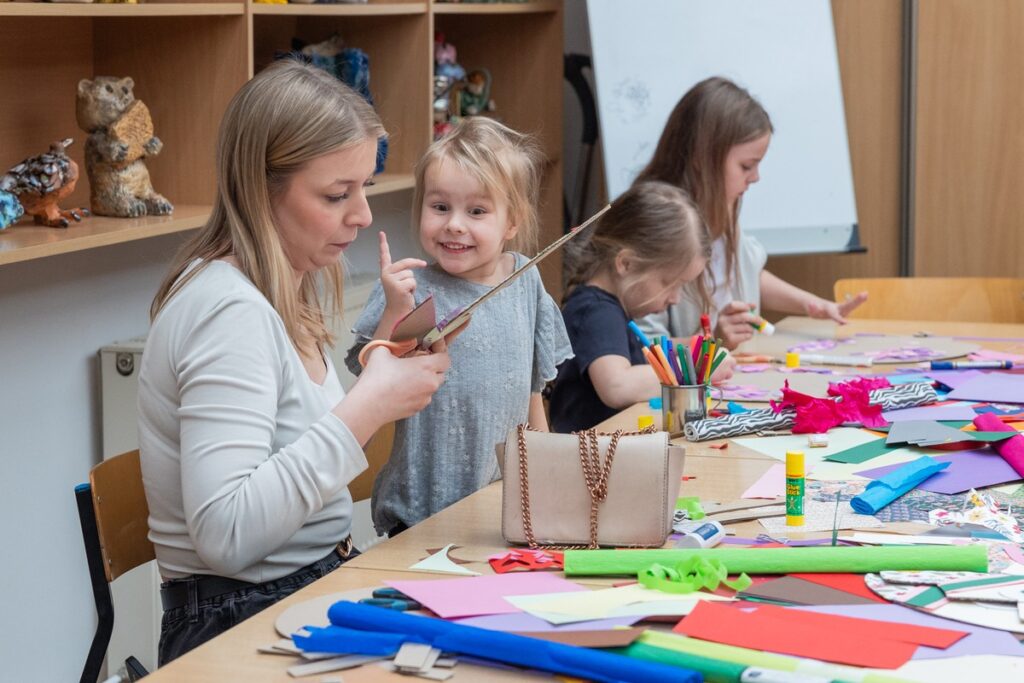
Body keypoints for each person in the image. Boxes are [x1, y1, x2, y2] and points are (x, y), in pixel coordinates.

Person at [138, 59, 450, 665]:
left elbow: (295, 464)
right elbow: (227, 535)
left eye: (364, 187)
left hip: (306, 580)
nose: (361, 214)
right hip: (235, 615)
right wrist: (366, 407)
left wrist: (384, 357)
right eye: (337, 194)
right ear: (262, 191)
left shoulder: (283, 286)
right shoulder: (226, 311)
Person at [346, 116, 572, 537]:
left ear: (512, 222)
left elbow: (531, 392)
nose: (454, 224)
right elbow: (368, 383)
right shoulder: (410, 287)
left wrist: (550, 478)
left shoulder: (525, 279)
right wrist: (395, 309)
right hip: (419, 516)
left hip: (500, 510)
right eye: (440, 207)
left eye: (477, 211)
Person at [637, 76, 868, 350]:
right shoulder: (658, 224)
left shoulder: (722, 204)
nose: (755, 177)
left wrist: (813, 305)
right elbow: (641, 347)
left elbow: (747, 271)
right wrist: (711, 341)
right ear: (701, 157)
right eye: (746, 166)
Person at [549, 181, 736, 433]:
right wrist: (698, 370)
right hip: (589, 465)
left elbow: (644, 356)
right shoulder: (596, 312)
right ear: (626, 264)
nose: (675, 299)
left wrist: (692, 349)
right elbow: (617, 386)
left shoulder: (607, 308)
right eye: (670, 283)